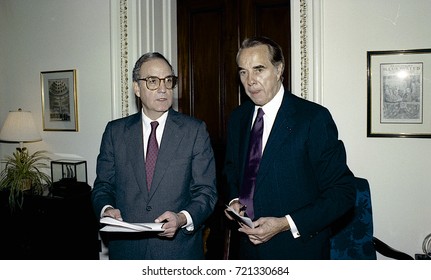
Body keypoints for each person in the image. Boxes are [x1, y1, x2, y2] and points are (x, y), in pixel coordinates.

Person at [223, 36, 356, 259]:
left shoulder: (313, 118)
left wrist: (285, 223)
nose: (250, 80)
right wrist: (234, 200)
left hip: (297, 251)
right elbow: (231, 171)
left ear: (279, 69)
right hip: (246, 251)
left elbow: (342, 193)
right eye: (243, 72)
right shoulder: (238, 117)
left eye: (259, 69)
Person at [92, 52, 218, 259]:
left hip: (178, 252)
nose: (162, 88)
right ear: (136, 88)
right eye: (152, 81)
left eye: (168, 81)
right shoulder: (115, 132)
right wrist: (106, 209)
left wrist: (181, 218)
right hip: (126, 251)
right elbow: (103, 185)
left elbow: (206, 192)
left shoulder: (194, 131)